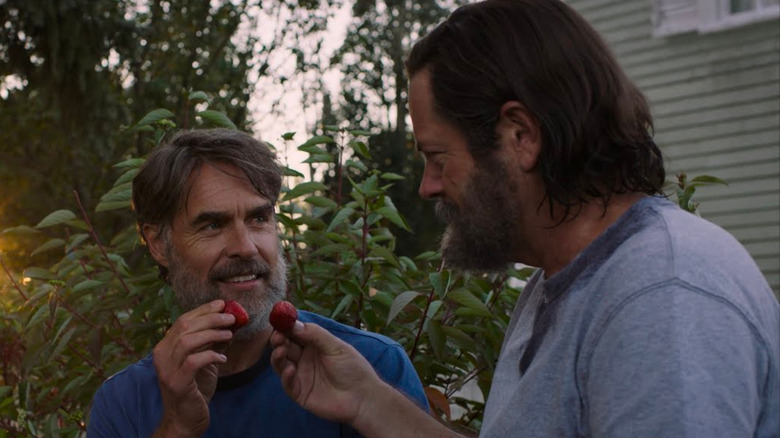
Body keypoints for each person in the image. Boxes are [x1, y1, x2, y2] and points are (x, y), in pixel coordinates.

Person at [270, 0, 780, 437]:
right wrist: (369, 401)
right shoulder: (557, 284)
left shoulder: (661, 298)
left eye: (438, 157)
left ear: (521, 136)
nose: (427, 185)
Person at [85, 129, 429, 437]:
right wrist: (177, 427)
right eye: (212, 226)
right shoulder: (122, 404)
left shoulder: (372, 369)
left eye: (259, 218)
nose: (245, 247)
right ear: (159, 244)